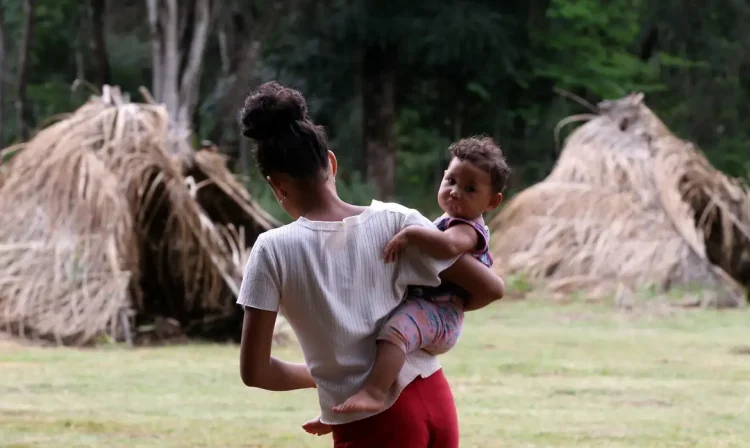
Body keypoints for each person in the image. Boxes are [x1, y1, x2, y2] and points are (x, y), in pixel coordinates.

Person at [236, 81, 505, 448]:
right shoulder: (397, 221)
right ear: (331, 162)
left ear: (276, 184)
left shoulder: (271, 251)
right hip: (433, 397)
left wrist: (326, 378)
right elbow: (489, 287)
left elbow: (255, 371)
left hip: (370, 421)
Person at [321, 136, 509, 419]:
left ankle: (375, 393)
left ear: (492, 202)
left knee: (395, 332)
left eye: (470, 189)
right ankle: (341, 405)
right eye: (451, 181)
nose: (456, 192)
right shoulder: (446, 221)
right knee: (375, 336)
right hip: (430, 307)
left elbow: (448, 247)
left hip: (441, 314)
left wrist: (411, 233)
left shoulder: (468, 229)